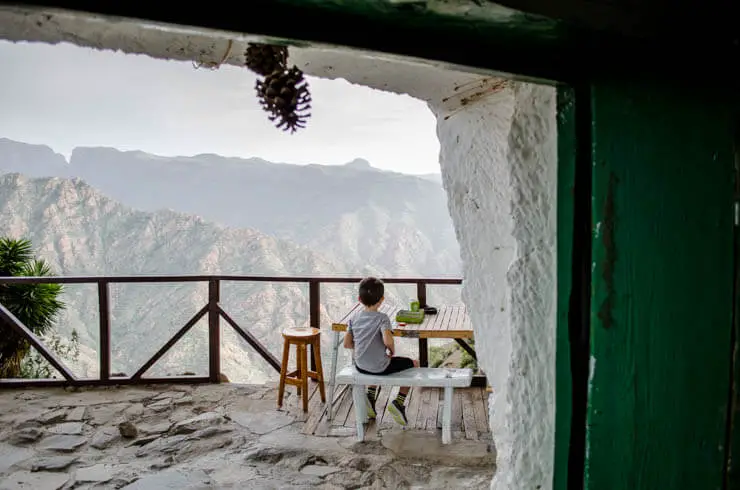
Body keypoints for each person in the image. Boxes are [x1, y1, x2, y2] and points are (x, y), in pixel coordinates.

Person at [343, 277, 419, 426]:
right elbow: (387, 340)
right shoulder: (382, 318)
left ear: (359, 298)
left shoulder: (353, 318)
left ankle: (370, 398)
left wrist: (362, 347)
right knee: (415, 363)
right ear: (382, 299)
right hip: (380, 367)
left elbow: (347, 344)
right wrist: (392, 350)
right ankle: (399, 402)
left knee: (375, 360)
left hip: (360, 365)